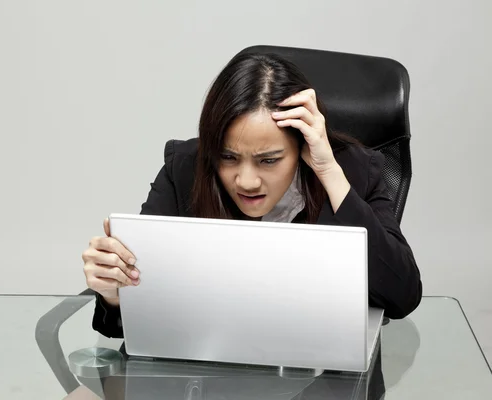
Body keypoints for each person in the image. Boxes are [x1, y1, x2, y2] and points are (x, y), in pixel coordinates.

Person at [82, 52, 423, 339]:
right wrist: (115, 294)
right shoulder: (185, 168)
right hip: (209, 368)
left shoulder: (353, 171)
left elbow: (402, 296)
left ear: (302, 146)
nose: (246, 181)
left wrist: (329, 173)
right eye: (228, 157)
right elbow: (139, 313)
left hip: (319, 372)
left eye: (269, 160)